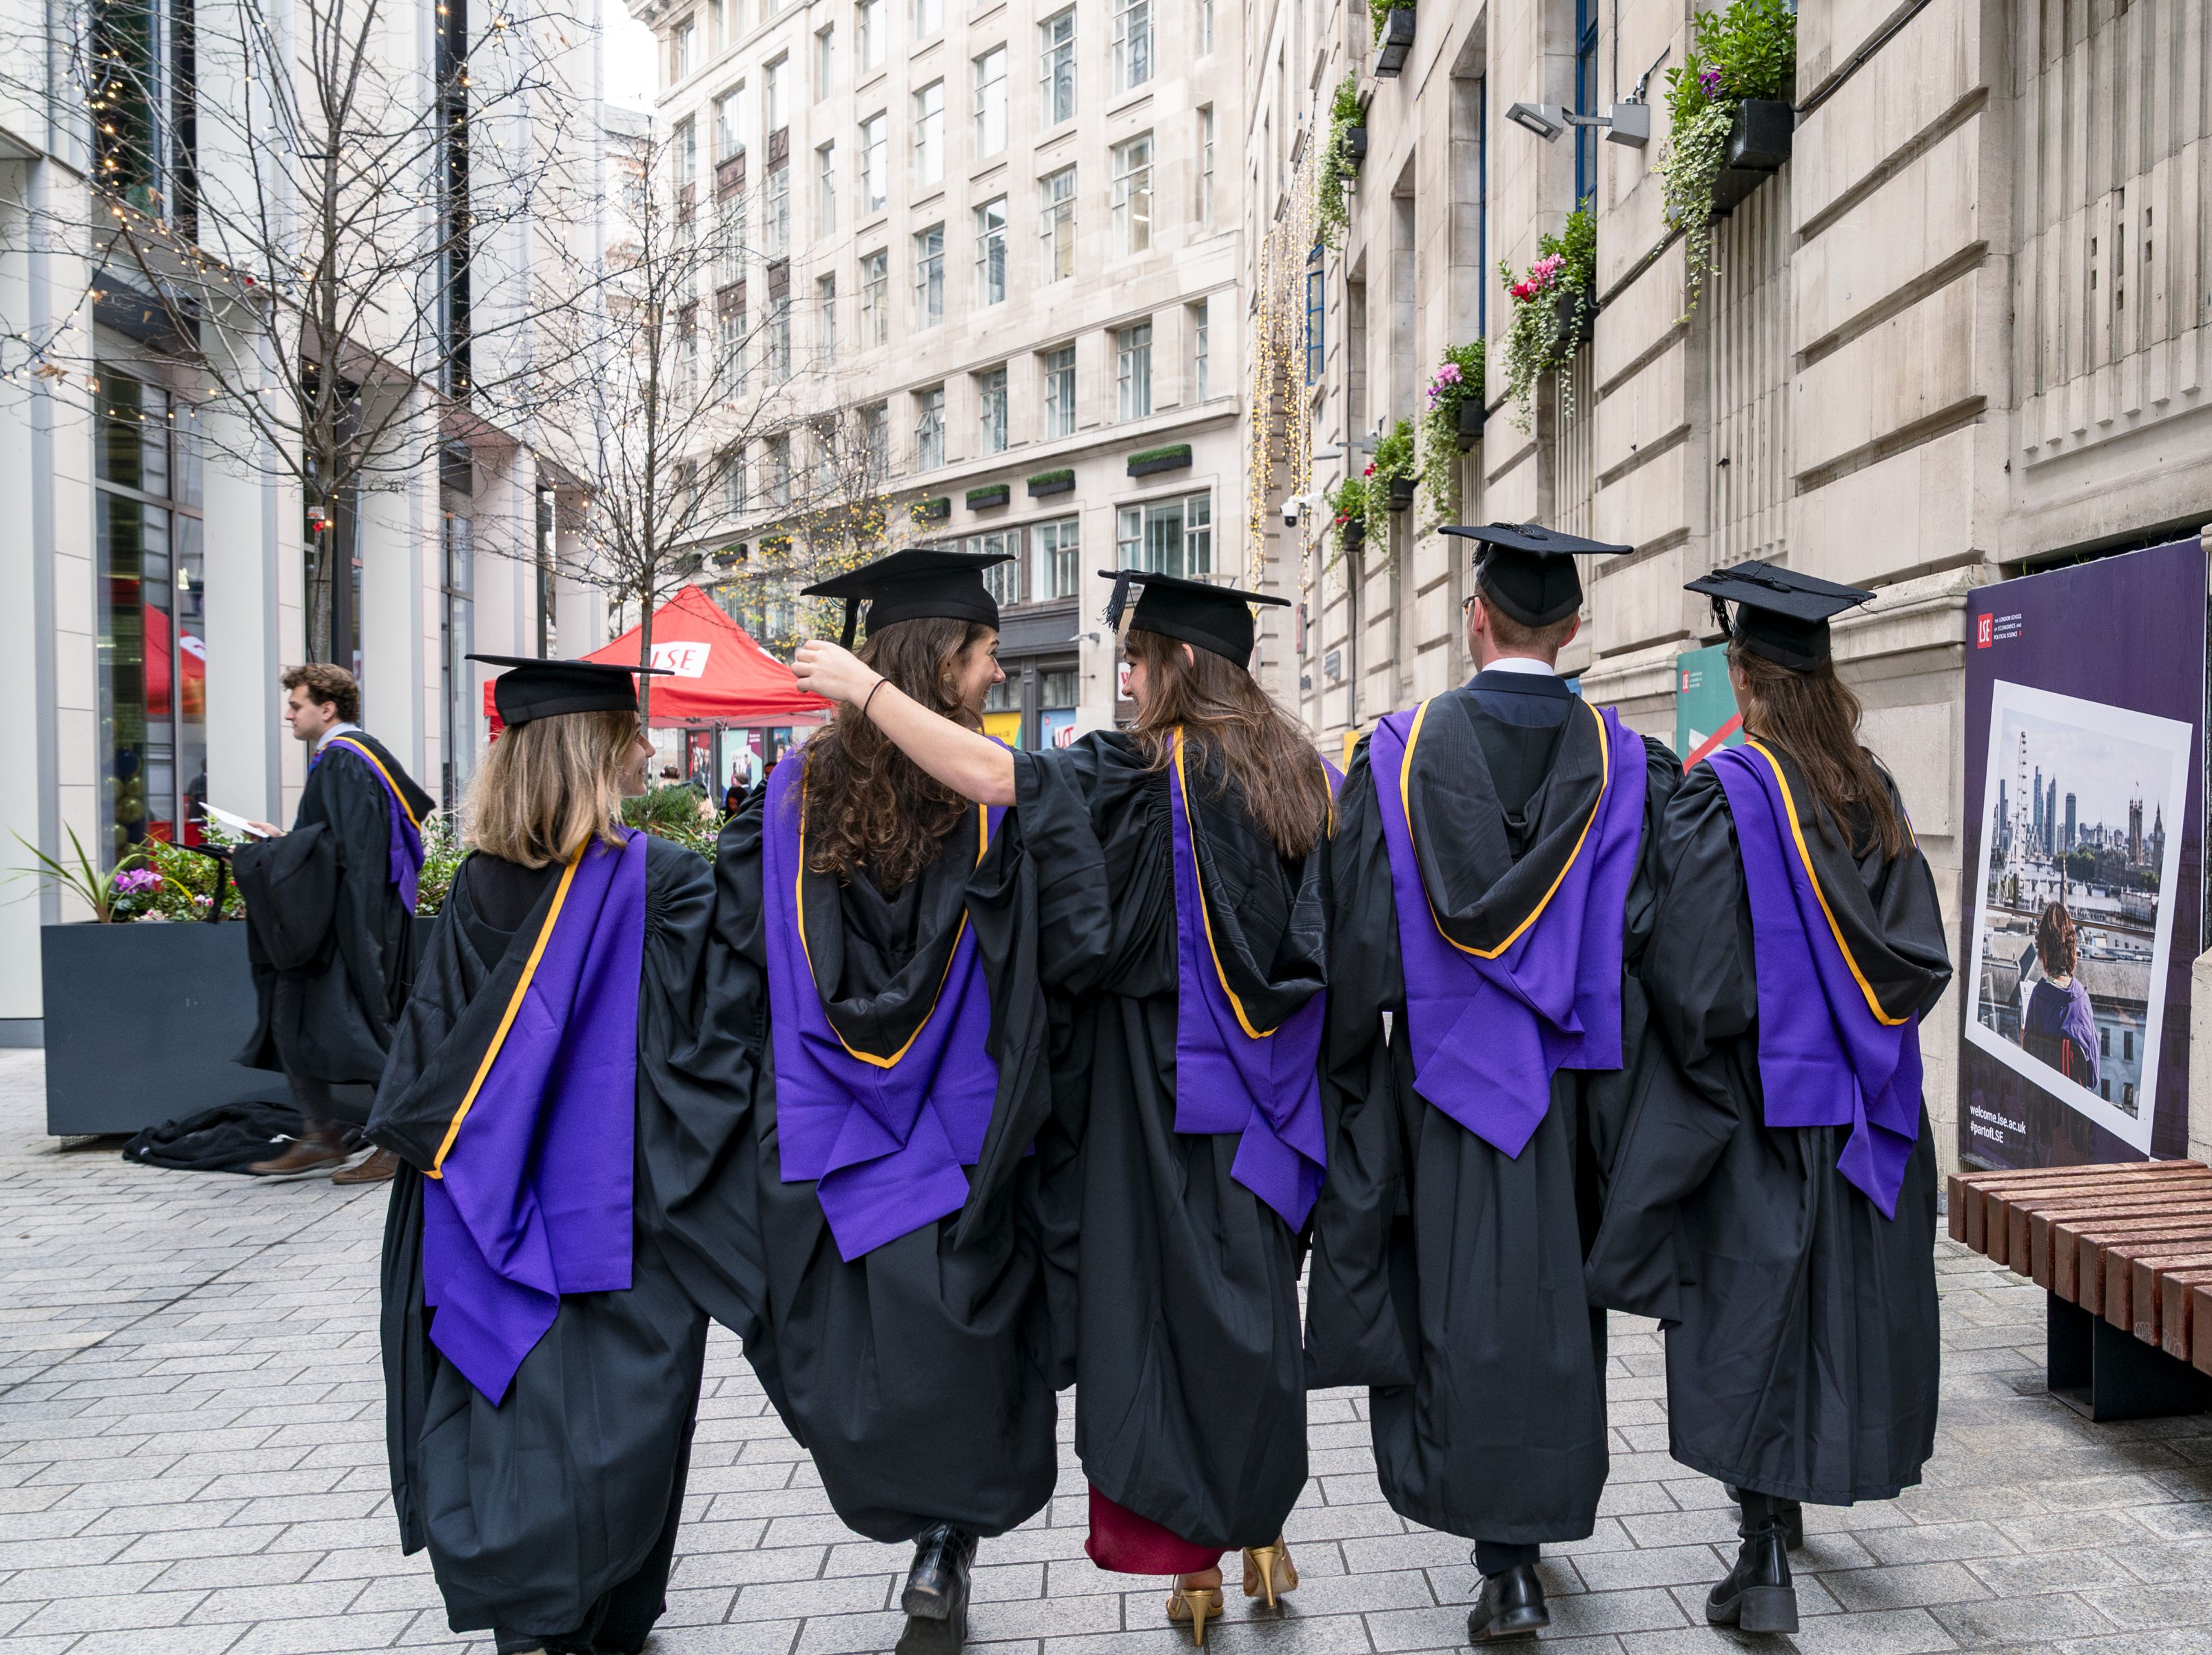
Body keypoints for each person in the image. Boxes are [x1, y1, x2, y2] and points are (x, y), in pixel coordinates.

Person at [797, 570, 1329, 1645]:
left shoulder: (1132, 772)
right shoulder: (1303, 776)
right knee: (1254, 1314)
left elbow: (994, 776)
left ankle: (1193, 1563)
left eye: (1135, 658)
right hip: (1270, 1101)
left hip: (1152, 1095)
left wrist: (864, 688)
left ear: (1176, 662)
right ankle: (1261, 1527)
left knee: (1161, 1326)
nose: (1124, 679)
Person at [708, 551, 1097, 1655]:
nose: (991, 675)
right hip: (965, 1117)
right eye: (982, 655)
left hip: (829, 1127)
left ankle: (923, 1531)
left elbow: (741, 962)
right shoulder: (995, 795)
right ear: (946, 661)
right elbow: (1064, 950)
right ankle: (945, 1539)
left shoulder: (787, 797)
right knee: (962, 1336)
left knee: (854, 1340)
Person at [1306, 522, 1679, 1643]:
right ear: (1572, 627)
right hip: (1574, 1096)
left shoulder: (1397, 755)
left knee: (1454, 1305)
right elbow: (1652, 938)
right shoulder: (1627, 763)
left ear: (1477, 617)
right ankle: (1526, 1545)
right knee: (1557, 1306)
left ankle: (1495, 1555)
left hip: (1442, 1091)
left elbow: (1359, 947)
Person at [1584, 563, 1957, 1634]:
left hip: (1760, 1108)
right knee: (1836, 1312)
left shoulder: (1725, 791)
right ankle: (1789, 1511)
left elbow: (1697, 982)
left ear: (1744, 678)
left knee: (1751, 1314)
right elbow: (1913, 961)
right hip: (1866, 1110)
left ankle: (1761, 1552)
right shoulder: (1872, 790)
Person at [362, 654, 761, 1655]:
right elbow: (711, 1047)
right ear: (601, 753)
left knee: (504, 1412)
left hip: (477, 1212)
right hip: (621, 1213)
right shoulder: (665, 881)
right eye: (635, 738)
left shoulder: (468, 890)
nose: (649, 752)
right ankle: (602, 1612)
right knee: (630, 1417)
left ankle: (532, 1609)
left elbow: (426, 1053)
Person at [233, 662, 436, 1182]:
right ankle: (320, 1132)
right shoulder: (349, 759)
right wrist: (284, 842)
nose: (289, 713)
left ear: (327, 708)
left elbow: (356, 856)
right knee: (298, 1020)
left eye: (296, 704)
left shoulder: (346, 762)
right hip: (344, 916)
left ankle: (401, 1139)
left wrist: (360, 938)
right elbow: (332, 842)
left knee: (361, 1026)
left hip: (350, 922)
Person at [2018, 900, 2099, 1089]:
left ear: (2043, 951)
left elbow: (2030, 1062)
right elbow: (2093, 1078)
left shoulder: (2037, 996)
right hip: (2072, 1112)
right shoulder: (2081, 1001)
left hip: (2041, 1107)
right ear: (2072, 948)